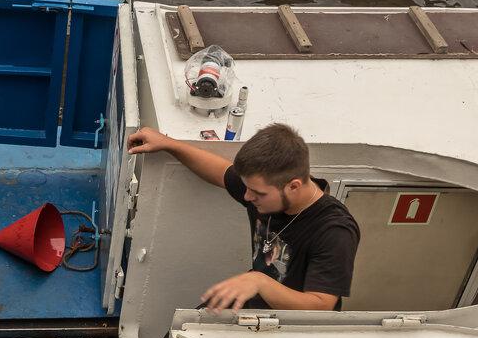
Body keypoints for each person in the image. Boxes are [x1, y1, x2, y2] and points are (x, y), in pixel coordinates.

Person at [126, 122, 359, 311]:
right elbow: (220, 171)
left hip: (294, 326)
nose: (247, 197)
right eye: (247, 187)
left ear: (293, 186)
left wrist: (259, 282)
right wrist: (169, 144)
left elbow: (321, 305)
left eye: (257, 192)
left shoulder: (334, 230)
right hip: (254, 300)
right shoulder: (264, 189)